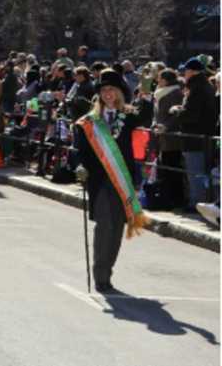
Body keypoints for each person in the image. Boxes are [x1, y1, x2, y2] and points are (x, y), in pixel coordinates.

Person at [74, 69, 150, 293]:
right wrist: (79, 166)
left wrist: (145, 93)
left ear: (119, 92)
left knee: (116, 228)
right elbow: (80, 149)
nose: (108, 94)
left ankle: (107, 272)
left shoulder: (128, 116)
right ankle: (101, 276)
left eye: (112, 90)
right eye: (104, 90)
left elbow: (146, 118)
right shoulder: (89, 122)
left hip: (123, 180)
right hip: (99, 181)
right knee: (105, 226)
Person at [170, 57, 218, 210]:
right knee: (200, 172)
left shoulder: (197, 88)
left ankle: (196, 203)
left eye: (186, 70)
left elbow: (191, 114)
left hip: (195, 137)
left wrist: (177, 111)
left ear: (191, 72)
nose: (184, 73)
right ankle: (199, 201)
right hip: (203, 136)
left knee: (195, 172)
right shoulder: (204, 86)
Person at [152, 68, 185, 209]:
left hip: (171, 138)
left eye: (159, 78)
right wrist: (154, 124)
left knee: (173, 169)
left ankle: (175, 200)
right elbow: (156, 114)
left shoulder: (175, 93)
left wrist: (165, 126)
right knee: (165, 169)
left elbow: (176, 115)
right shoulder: (160, 93)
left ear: (165, 80)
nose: (157, 81)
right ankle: (167, 198)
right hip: (162, 137)